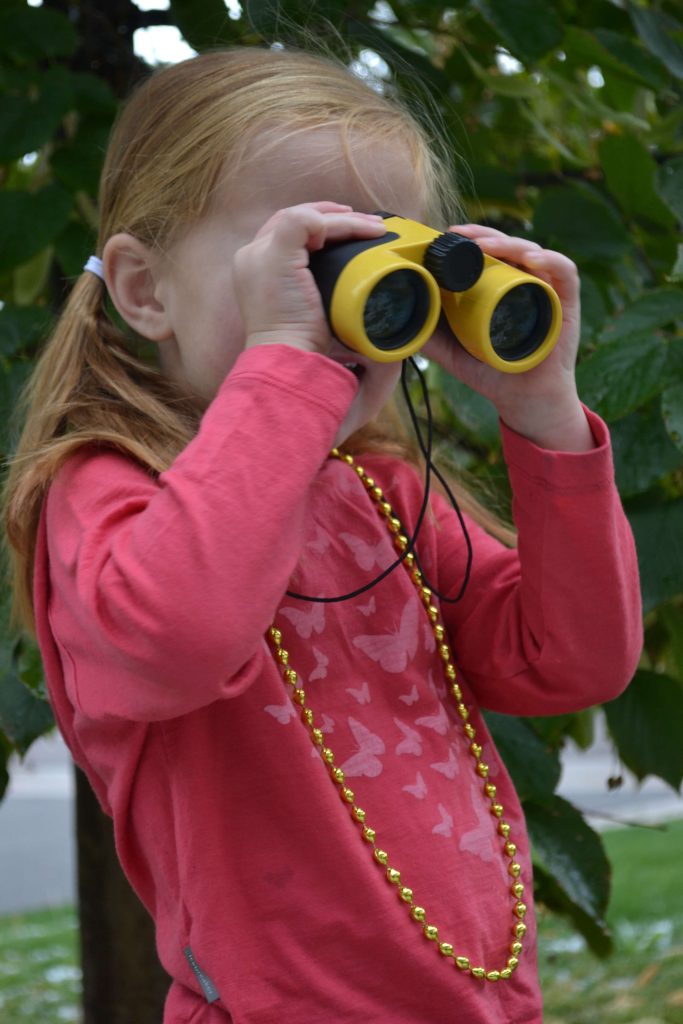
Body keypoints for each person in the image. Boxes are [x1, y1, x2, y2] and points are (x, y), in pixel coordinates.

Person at [3, 46, 642, 1024]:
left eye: (387, 258)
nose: (340, 306)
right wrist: (285, 373)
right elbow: (178, 636)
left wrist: (543, 414)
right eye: (309, 259)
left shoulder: (379, 489)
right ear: (145, 290)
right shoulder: (103, 488)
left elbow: (570, 661)